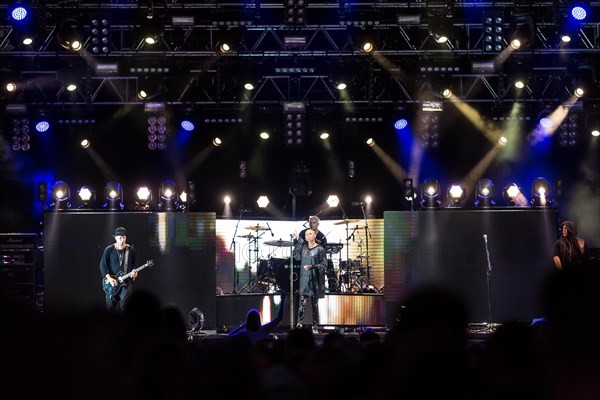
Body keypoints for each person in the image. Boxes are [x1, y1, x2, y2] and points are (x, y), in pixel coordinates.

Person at [292, 228, 327, 333]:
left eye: (310, 234)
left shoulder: (320, 249)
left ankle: (315, 326)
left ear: (314, 235)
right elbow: (297, 257)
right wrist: (296, 240)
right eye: (306, 234)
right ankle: (299, 325)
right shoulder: (303, 248)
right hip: (304, 279)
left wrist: (313, 266)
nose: (308, 236)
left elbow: (324, 265)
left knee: (314, 304)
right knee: (301, 303)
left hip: (314, 279)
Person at [100, 226, 138, 313]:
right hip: (112, 283)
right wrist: (109, 279)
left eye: (124, 237)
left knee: (125, 305)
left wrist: (134, 272)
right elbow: (102, 266)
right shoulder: (109, 250)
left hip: (126, 282)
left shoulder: (131, 250)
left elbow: (134, 266)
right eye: (120, 237)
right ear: (115, 238)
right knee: (110, 307)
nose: (122, 240)